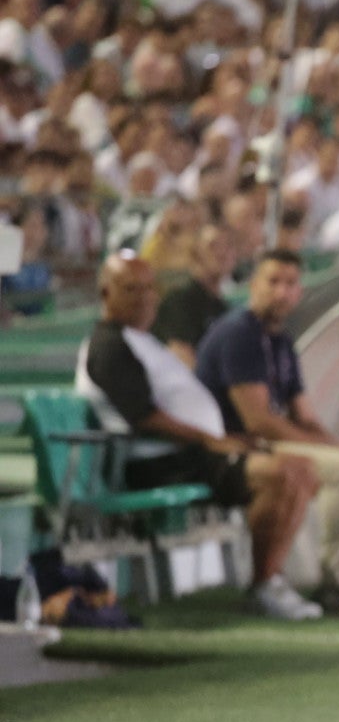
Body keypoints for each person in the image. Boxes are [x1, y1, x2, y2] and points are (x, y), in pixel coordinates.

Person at [76, 253, 321, 620]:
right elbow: (144, 417)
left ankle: (272, 578)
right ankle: (263, 583)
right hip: (161, 462)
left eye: (149, 289)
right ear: (105, 292)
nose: (145, 298)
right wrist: (208, 439)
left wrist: (221, 439)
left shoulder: (140, 339)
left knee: (301, 468)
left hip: (189, 454)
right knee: (280, 475)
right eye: (131, 289)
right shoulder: (109, 344)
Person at [195, 249, 339, 596]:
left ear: (299, 292)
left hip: (270, 440)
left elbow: (305, 415)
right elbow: (259, 422)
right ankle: (337, 583)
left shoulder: (282, 341)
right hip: (239, 446)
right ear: (253, 285)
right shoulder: (239, 334)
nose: (281, 291)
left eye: (290, 284)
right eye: (273, 282)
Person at [150, 224, 235, 370]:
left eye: (228, 246)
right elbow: (182, 362)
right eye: (213, 246)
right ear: (195, 254)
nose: (222, 252)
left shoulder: (223, 308)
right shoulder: (179, 301)